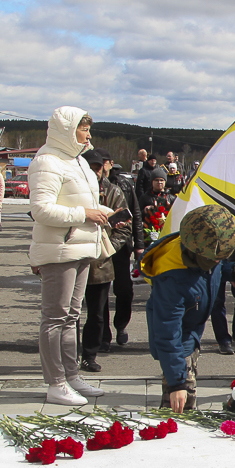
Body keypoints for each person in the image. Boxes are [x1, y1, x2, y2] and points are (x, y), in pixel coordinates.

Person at [28, 106, 111, 406]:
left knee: (72, 316)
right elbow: (41, 209)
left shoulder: (77, 161)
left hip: (82, 247)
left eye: (88, 130)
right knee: (55, 317)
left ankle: (71, 376)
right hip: (59, 250)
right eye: (83, 129)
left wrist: (107, 214)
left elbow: (83, 202)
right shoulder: (47, 161)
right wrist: (84, 214)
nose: (88, 136)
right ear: (66, 130)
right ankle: (56, 382)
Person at [142, 205, 235, 412]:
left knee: (185, 397)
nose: (217, 261)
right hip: (177, 343)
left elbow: (216, 270)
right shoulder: (172, 279)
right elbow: (167, 333)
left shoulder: (204, 253)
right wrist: (177, 383)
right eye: (214, 258)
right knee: (181, 405)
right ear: (195, 250)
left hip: (191, 334)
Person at [78, 150, 133, 373]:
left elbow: (126, 226)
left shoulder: (113, 192)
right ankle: (69, 353)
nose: (95, 172)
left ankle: (90, 354)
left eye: (98, 167)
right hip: (73, 257)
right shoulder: (72, 190)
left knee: (97, 312)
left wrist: (106, 249)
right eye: (90, 168)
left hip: (100, 261)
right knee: (70, 313)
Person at [106, 157, 143, 346]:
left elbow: (135, 213)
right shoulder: (87, 183)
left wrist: (139, 244)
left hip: (121, 244)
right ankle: (103, 334)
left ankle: (121, 325)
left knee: (124, 290)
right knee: (99, 292)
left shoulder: (124, 184)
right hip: (98, 245)